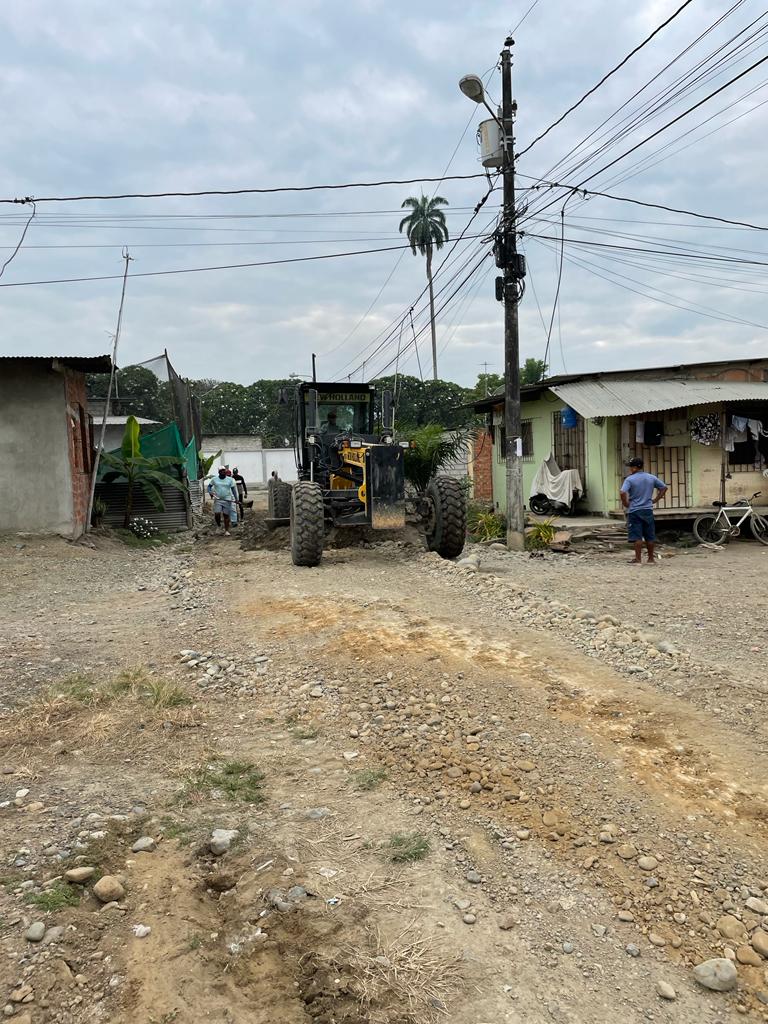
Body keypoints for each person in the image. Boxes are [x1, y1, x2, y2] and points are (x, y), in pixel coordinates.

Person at [620, 457, 668, 565]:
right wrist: (655, 500)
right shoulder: (651, 477)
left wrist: (625, 503)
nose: (630, 469)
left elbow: (622, 492)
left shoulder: (630, 479)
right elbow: (664, 488)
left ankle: (638, 559)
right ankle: (651, 559)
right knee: (649, 535)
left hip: (635, 510)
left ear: (634, 468)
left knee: (637, 536)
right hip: (648, 510)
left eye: (631, 467)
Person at [207, 466, 239, 536]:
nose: (223, 472)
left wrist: (236, 499)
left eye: (224, 470)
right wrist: (210, 492)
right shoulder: (214, 479)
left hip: (227, 499)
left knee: (226, 515)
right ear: (219, 472)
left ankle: (226, 530)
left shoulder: (230, 480)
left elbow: (233, 490)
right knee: (217, 513)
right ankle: (219, 526)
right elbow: (209, 486)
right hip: (218, 499)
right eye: (221, 471)